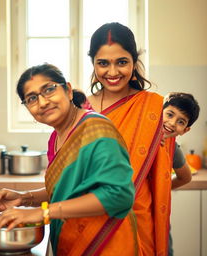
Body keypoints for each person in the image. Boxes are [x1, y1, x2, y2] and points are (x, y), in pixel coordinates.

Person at [0, 63, 138, 255]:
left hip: (105, 242)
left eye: (49, 89)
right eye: (32, 98)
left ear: (68, 90)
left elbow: (119, 195)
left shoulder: (97, 129)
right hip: (71, 243)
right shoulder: (56, 138)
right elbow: (65, 190)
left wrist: (43, 213)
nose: (42, 103)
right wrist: (24, 198)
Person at [85, 22, 175, 255]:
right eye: (103, 63)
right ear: (93, 64)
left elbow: (160, 170)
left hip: (138, 219)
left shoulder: (153, 108)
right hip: (88, 219)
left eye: (121, 62)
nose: (112, 72)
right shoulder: (80, 109)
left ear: (134, 63)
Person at [162, 92, 200, 256]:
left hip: (157, 212)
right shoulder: (139, 135)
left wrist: (160, 189)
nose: (171, 123)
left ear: (185, 130)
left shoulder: (173, 148)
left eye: (180, 122)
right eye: (169, 114)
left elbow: (186, 177)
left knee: (163, 247)